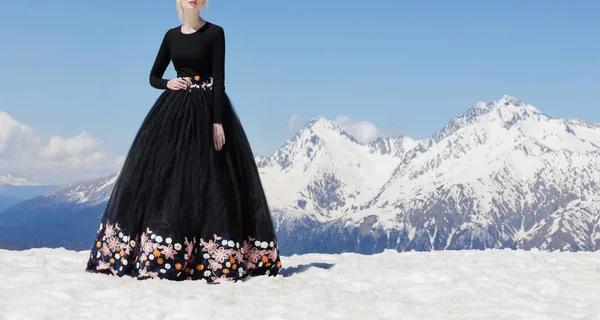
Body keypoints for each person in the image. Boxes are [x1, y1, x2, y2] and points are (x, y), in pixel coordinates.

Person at [84, 0, 282, 284]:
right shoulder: (170, 35)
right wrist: (168, 83)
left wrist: (217, 122)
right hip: (173, 114)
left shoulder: (215, 32)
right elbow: (153, 76)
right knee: (167, 182)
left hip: (207, 112)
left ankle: (211, 258)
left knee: (213, 182)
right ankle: (165, 256)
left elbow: (220, 81)